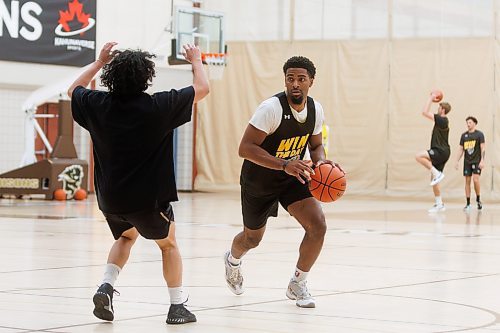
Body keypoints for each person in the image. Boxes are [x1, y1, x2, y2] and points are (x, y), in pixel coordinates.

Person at [68, 42, 209, 324]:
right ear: (146, 76)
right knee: (168, 245)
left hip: (110, 200)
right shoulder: (159, 106)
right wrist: (196, 60)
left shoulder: (98, 105)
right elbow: (203, 88)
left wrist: (98, 62)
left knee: (126, 236)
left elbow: (73, 91)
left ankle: (106, 287)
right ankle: (177, 305)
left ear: (111, 76)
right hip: (147, 201)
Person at [223, 56, 335, 308]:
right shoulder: (271, 109)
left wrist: (322, 164)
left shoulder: (315, 109)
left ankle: (298, 283)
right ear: (285, 80)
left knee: (318, 225)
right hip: (259, 179)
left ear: (311, 82)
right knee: (252, 239)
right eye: (290, 78)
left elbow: (316, 146)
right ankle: (232, 260)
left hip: (292, 176)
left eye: (301, 79)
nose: (295, 84)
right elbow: (245, 148)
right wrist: (284, 164)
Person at [415, 93, 451, 213]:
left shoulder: (442, 120)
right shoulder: (442, 121)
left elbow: (424, 112)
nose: (437, 109)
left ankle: (437, 173)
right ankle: (439, 204)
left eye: (439, 107)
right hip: (443, 151)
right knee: (434, 180)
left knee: (418, 156)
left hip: (440, 150)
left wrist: (430, 98)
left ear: (443, 110)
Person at [454, 116, 485, 210]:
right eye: (467, 122)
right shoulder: (464, 135)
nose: (468, 124)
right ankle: (468, 204)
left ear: (475, 123)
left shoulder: (479, 134)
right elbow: (461, 149)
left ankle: (478, 200)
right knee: (467, 181)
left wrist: (482, 160)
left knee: (475, 180)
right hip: (467, 162)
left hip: (477, 161)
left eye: (470, 122)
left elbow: (483, 148)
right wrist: (456, 160)